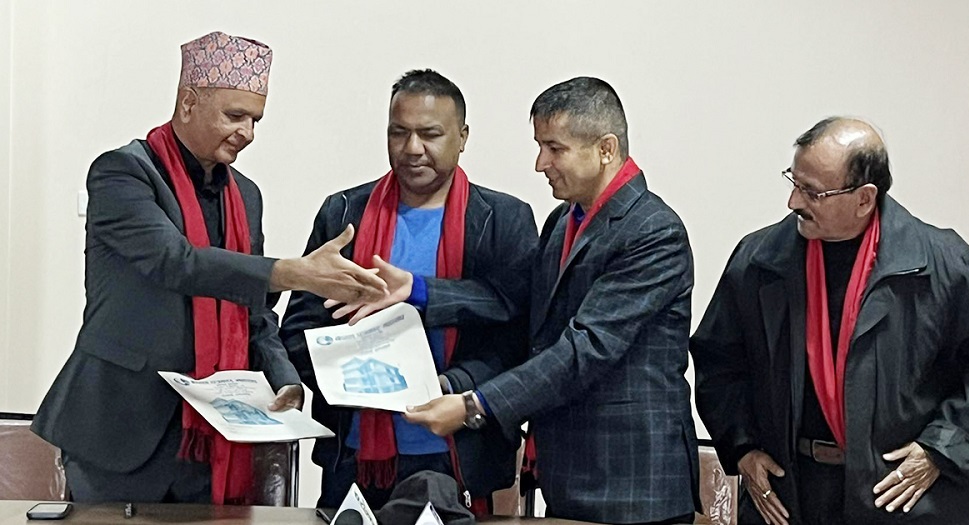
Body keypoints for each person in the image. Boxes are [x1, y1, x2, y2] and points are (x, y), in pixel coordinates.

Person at [31, 31, 387, 505]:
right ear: (188, 103)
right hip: (120, 425)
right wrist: (292, 272)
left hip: (210, 434)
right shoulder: (123, 173)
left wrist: (285, 377)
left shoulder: (246, 196)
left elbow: (254, 311)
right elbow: (175, 262)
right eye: (235, 116)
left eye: (255, 120)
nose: (247, 132)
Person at [405, 77, 700, 525]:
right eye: (539, 146)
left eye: (554, 148)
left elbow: (586, 348)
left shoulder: (653, 231)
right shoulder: (563, 220)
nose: (540, 163)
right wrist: (416, 292)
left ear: (605, 149)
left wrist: (473, 406)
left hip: (633, 484)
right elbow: (522, 314)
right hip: (571, 475)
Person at [691, 117, 969, 524]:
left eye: (812, 192)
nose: (793, 202)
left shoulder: (940, 263)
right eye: (794, 182)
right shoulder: (759, 260)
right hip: (791, 496)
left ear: (864, 198)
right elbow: (719, 364)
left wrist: (939, 450)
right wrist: (743, 448)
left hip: (905, 498)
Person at [278, 69, 537, 512]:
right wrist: (349, 378)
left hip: (456, 451)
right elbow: (300, 326)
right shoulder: (343, 212)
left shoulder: (503, 220)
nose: (412, 148)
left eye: (429, 134)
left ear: (462, 137)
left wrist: (450, 384)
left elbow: (516, 333)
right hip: (354, 452)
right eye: (398, 133)